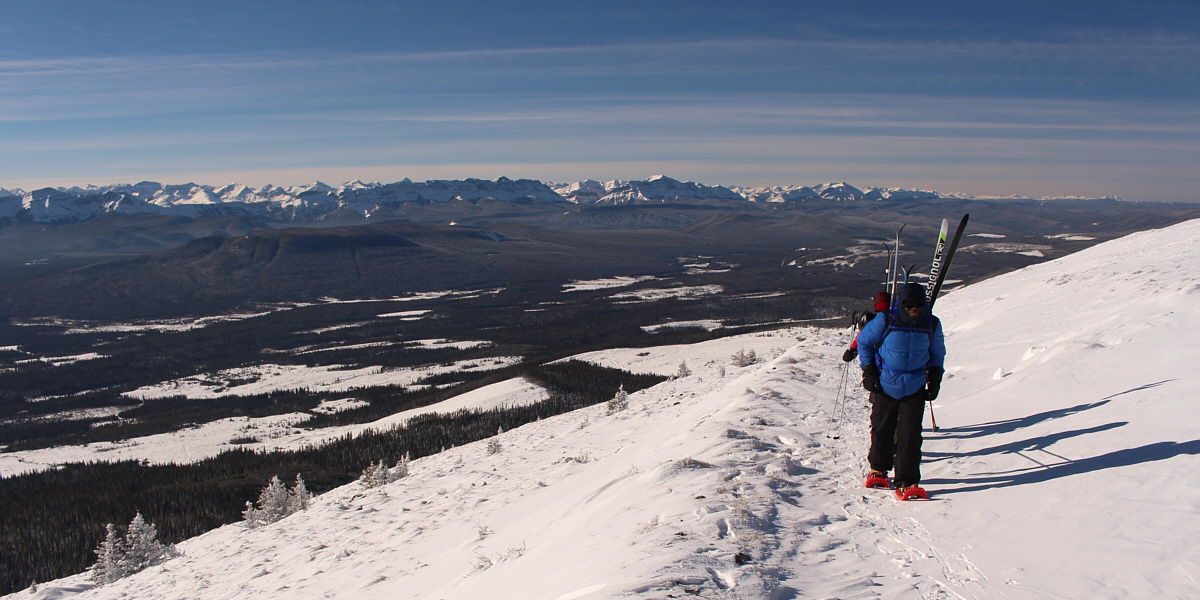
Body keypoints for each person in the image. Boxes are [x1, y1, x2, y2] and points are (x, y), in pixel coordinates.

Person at [856, 282, 945, 495]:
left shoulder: (931, 324)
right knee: (882, 428)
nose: (914, 310)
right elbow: (864, 342)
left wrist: (935, 378)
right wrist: (868, 371)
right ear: (901, 304)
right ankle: (878, 470)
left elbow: (937, 354)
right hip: (885, 383)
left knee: (911, 434)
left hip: (914, 386)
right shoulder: (886, 320)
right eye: (909, 306)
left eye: (918, 306)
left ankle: (907, 481)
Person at [841, 292, 891, 362]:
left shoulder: (874, 323)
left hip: (878, 361)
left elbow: (863, 337)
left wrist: (853, 350)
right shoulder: (900, 320)